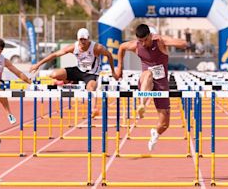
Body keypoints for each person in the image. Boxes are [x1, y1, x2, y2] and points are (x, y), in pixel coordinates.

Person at [116, 23, 186, 151]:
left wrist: (163, 39)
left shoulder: (159, 41)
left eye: (145, 40)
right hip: (145, 82)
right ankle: (142, 104)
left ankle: (155, 133)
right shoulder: (136, 45)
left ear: (151, 36)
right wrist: (120, 67)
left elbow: (183, 43)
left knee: (165, 123)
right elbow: (121, 47)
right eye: (140, 41)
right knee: (148, 74)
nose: (143, 44)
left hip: (161, 83)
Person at [29, 28, 118, 117]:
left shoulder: (97, 48)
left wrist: (113, 72)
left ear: (89, 38)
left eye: (85, 39)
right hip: (78, 71)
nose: (83, 42)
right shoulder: (73, 47)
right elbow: (55, 54)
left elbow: (109, 56)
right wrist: (38, 64)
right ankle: (69, 81)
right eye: (81, 39)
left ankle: (94, 109)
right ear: (77, 39)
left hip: (91, 74)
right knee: (54, 74)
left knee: (90, 88)